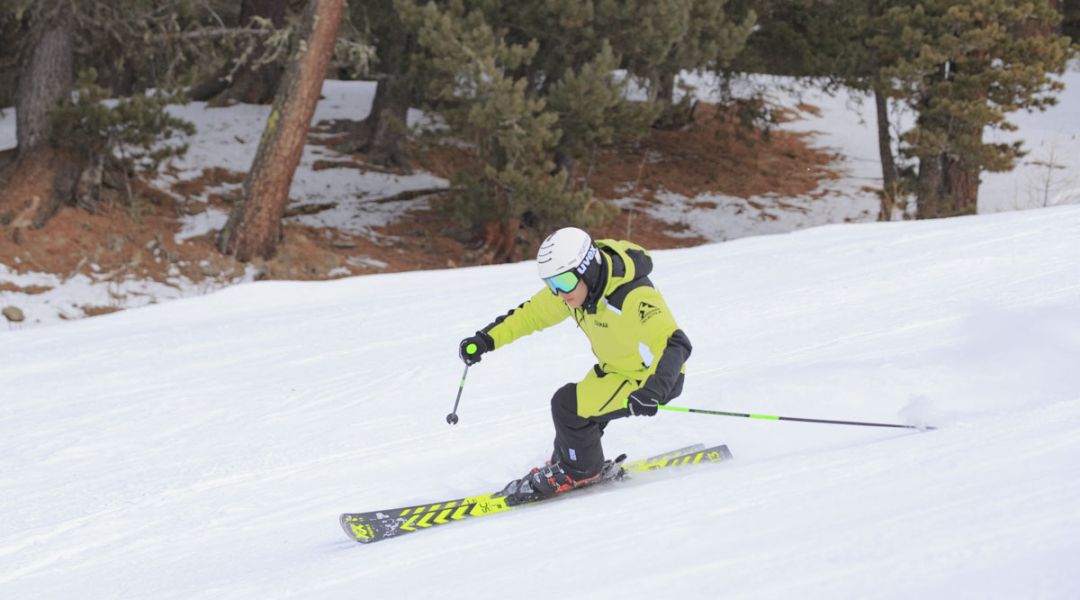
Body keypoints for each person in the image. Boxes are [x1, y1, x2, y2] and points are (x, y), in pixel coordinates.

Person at [457, 226, 692, 501]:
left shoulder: (634, 296)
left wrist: (653, 391)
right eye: (551, 284)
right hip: (615, 371)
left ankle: (580, 471)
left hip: (650, 379)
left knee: (568, 407)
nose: (559, 293)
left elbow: (676, 344)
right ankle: (572, 463)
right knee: (574, 419)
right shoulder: (576, 290)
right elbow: (530, 315)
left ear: (588, 268)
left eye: (564, 282)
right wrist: (486, 340)